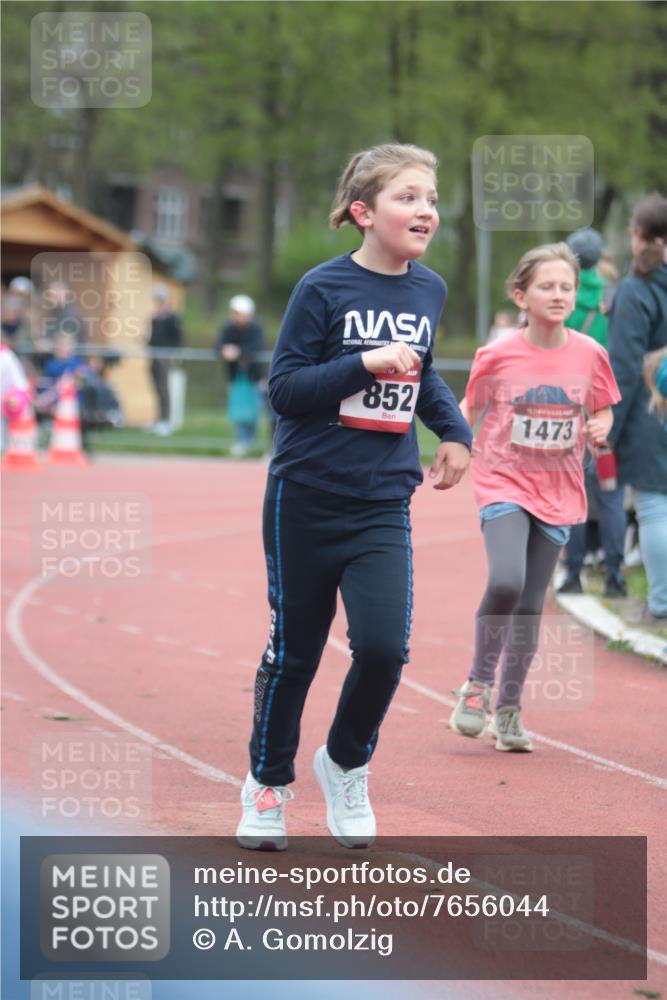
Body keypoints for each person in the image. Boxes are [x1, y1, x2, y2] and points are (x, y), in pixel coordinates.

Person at [236, 143, 472, 851]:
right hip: (304, 495)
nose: (424, 210)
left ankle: (344, 761)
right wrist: (361, 363)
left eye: (429, 199)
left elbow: (422, 374)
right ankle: (267, 783)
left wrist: (454, 431)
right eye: (407, 197)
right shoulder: (321, 288)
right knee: (295, 654)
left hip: (380, 499)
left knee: (382, 649)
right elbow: (285, 391)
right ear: (364, 212)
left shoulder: (428, 291)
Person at [451, 243, 620, 752]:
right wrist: (456, 443)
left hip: (560, 487)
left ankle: (509, 710)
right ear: (521, 295)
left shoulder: (590, 354)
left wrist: (599, 425)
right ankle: (478, 684)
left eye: (566, 287)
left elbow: (606, 406)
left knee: (529, 606)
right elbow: (469, 404)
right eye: (547, 286)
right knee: (507, 578)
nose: (559, 295)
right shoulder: (498, 353)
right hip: (503, 478)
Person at [607, 193, 667, 622]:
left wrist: (609, 424)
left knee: (652, 507)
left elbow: (625, 368)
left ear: (639, 236)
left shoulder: (636, 289)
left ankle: (661, 602)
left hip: (652, 410)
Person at [559, 227, 627, 598]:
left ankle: (573, 574)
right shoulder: (615, 295)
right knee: (612, 493)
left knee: (576, 492)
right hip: (610, 406)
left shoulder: (562, 297)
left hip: (568, 408)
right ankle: (615, 576)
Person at [215, 294, 265, 456]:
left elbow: (257, 347)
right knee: (238, 411)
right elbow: (218, 345)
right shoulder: (227, 327)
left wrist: (238, 352)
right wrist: (224, 350)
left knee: (253, 411)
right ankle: (241, 441)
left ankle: (252, 441)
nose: (237, 316)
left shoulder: (256, 328)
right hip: (235, 377)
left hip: (253, 377)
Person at [148, 285, 183, 435]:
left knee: (164, 388)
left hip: (165, 356)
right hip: (154, 355)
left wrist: (172, 353)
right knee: (157, 388)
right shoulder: (156, 317)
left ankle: (166, 420)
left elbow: (177, 338)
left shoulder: (173, 317)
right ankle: (159, 418)